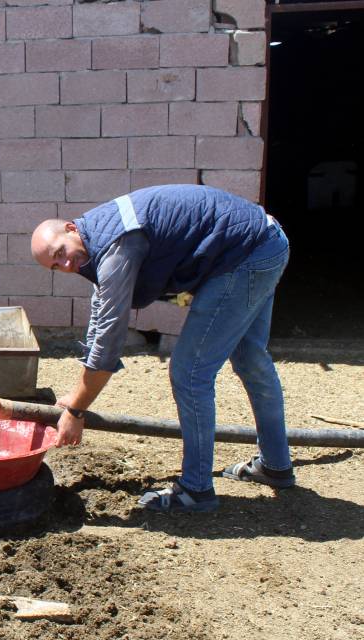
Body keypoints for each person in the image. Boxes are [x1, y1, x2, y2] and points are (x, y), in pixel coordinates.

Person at [30, 184, 295, 513]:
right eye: (56, 267)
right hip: (262, 241)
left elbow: (110, 341)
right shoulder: (96, 236)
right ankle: (276, 465)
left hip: (245, 254)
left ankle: (196, 490)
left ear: (70, 228)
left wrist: (75, 411)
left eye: (59, 253)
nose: (65, 265)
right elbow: (102, 309)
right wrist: (74, 394)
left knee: (190, 372)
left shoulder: (115, 246)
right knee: (251, 359)